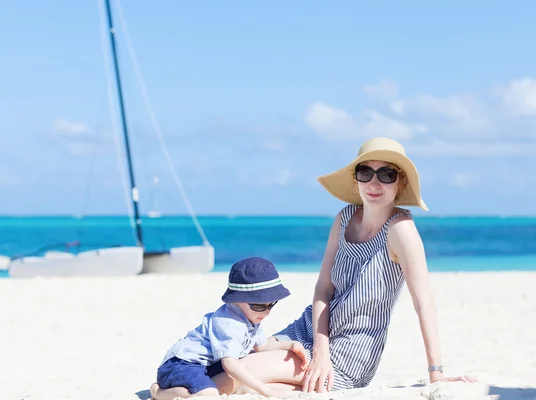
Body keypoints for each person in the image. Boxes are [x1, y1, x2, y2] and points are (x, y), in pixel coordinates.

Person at [211, 137, 477, 395]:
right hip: (311, 331)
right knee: (225, 361)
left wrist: (436, 372)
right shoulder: (345, 216)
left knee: (235, 374)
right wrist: (320, 349)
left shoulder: (401, 230)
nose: (374, 183)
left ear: (400, 181)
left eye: (386, 174)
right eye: (365, 172)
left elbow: (424, 303)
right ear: (356, 178)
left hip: (350, 353)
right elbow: (323, 290)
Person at [149, 256, 309, 400]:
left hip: (206, 364)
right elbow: (230, 364)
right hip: (181, 364)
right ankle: (160, 393)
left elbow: (262, 346)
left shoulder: (249, 315)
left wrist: (289, 345)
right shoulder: (229, 323)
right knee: (209, 394)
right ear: (237, 299)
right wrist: (264, 389)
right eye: (259, 305)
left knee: (228, 382)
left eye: (271, 304)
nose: (267, 311)